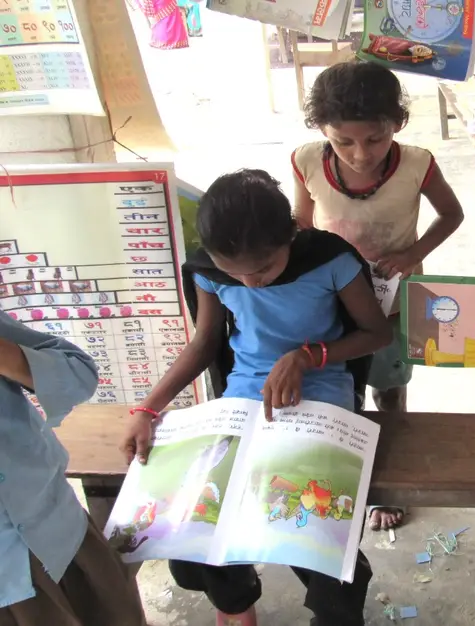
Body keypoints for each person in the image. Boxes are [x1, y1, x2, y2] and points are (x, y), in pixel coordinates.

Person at [119, 169, 392, 626]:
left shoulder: (328, 260)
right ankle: (235, 602)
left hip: (321, 393)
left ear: (292, 234)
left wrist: (308, 356)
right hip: (242, 395)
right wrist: (149, 408)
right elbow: (205, 343)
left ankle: (335, 610)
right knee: (199, 517)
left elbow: (377, 333)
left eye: (263, 268)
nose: (251, 283)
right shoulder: (210, 271)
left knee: (312, 522)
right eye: (234, 272)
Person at [291, 60, 465, 531]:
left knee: (388, 386)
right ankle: (345, 476)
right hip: (330, 296)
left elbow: (451, 214)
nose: (360, 154)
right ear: (322, 130)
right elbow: (303, 225)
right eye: (342, 141)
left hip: (392, 300)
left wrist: (412, 254)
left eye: (375, 138)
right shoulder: (306, 160)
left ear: (398, 125)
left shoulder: (417, 164)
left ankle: (385, 483)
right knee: (337, 385)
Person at [0, 312, 146, 625]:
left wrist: (10, 358)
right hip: (8, 586)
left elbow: (78, 372)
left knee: (115, 614)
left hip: (62, 532)